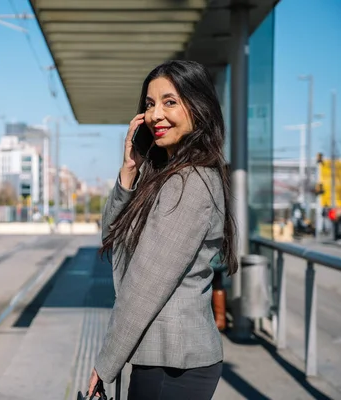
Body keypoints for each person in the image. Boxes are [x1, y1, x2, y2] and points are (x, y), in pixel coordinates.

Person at [88, 60, 237, 400]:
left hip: (174, 363)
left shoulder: (191, 182)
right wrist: (129, 172)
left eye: (170, 102)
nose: (156, 115)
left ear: (197, 107)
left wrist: (105, 363)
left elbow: (145, 282)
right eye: (150, 104)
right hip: (160, 359)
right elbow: (110, 238)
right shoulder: (166, 176)